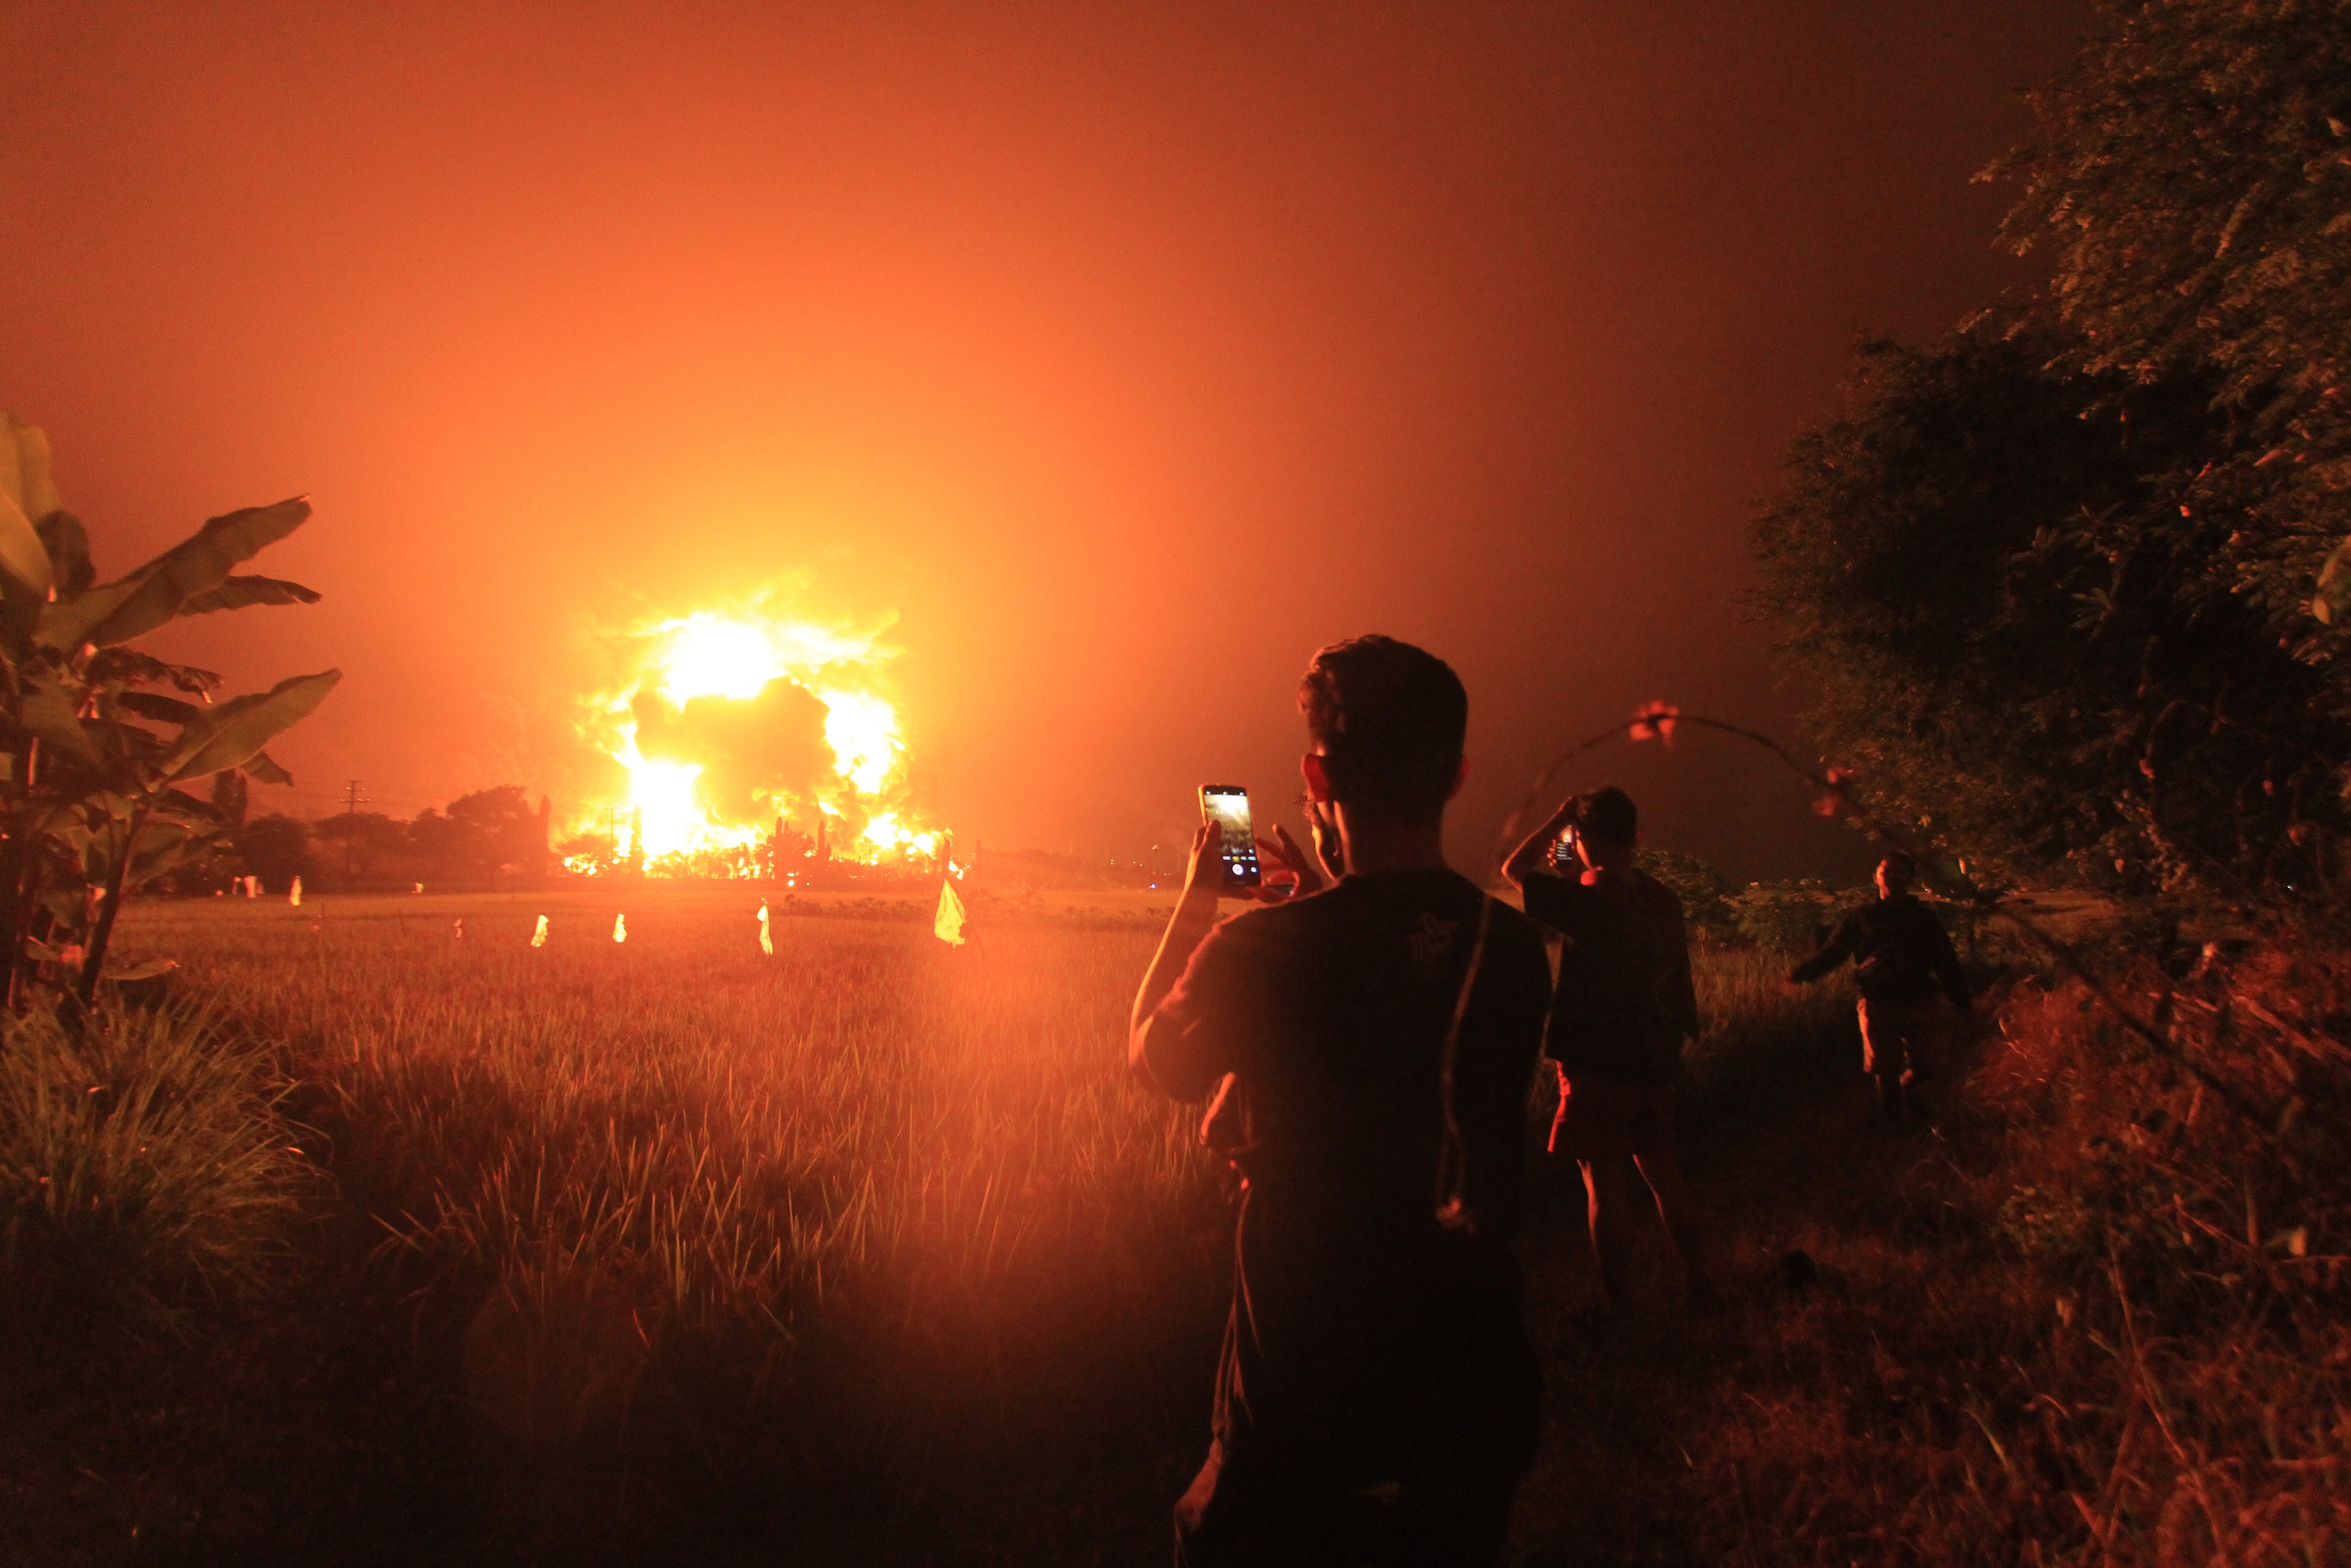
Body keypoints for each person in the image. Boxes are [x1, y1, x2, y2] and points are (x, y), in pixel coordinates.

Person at [1129, 634, 1554, 1568]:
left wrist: (1203, 896)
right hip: (1470, 1378)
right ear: (1456, 771)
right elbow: (1398, 987)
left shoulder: (1267, 950)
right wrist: (1328, 887)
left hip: (1308, 1386)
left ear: (1316, 776)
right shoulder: (1512, 947)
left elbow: (1154, 1054)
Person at [1502, 786, 1718, 1320]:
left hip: (1597, 1060)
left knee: (1605, 1185)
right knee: (1665, 1174)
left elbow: (1515, 868)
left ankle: (1621, 1309)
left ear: (1585, 838)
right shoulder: (1663, 899)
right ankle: (1702, 1281)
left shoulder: (1583, 900)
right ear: (1636, 836)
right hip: (1655, 1056)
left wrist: (1557, 820)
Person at [1788, 852, 1972, 1126]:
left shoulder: (1924, 919)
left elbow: (1945, 960)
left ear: (1910, 879)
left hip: (1920, 999)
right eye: (1887, 872)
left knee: (1927, 1065)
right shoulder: (1862, 917)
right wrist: (1801, 974)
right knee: (1884, 1068)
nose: (1893, 877)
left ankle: (1908, 1089)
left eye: (1900, 872)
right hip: (1877, 1000)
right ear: (1876, 877)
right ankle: (1895, 1126)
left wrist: (1961, 1000)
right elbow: (1834, 952)